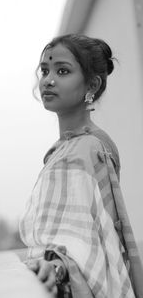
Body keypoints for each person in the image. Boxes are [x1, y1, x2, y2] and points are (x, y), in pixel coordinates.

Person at [19, 34, 143, 298]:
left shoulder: (89, 148)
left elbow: (87, 239)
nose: (48, 80)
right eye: (44, 70)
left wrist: (56, 266)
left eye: (62, 71)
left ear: (92, 84)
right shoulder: (62, 150)